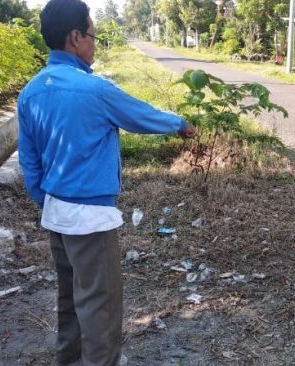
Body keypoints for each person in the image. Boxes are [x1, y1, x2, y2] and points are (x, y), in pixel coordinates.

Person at [17, 0, 196, 364]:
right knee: (100, 308)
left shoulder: (31, 92)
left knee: (69, 302)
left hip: (56, 214)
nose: (94, 44)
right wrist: (180, 124)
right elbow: (140, 115)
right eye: (93, 35)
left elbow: (29, 162)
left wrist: (48, 200)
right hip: (90, 219)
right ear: (75, 37)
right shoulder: (93, 90)